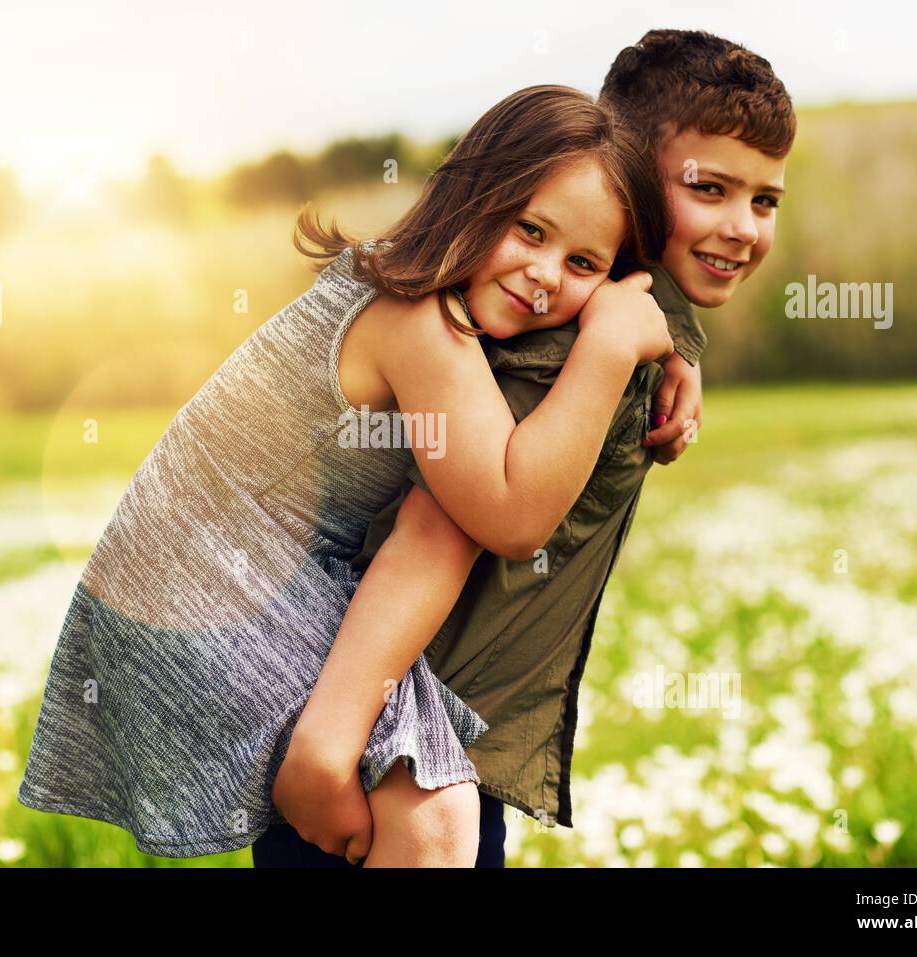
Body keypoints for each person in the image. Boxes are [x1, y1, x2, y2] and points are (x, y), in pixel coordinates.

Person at [17, 84, 675, 864]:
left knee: (414, 805)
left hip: (176, 579)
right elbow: (510, 511)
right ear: (474, 197)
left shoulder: (392, 286)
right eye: (530, 230)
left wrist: (674, 348)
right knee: (427, 804)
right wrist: (607, 347)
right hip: (218, 583)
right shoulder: (421, 323)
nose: (543, 273)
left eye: (583, 264)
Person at [265, 29, 796, 865]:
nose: (742, 226)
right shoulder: (564, 344)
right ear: (625, 174)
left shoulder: (616, 312)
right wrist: (343, 741)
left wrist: (680, 351)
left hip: (445, 751)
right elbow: (437, 525)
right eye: (711, 189)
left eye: (765, 200)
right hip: (399, 758)